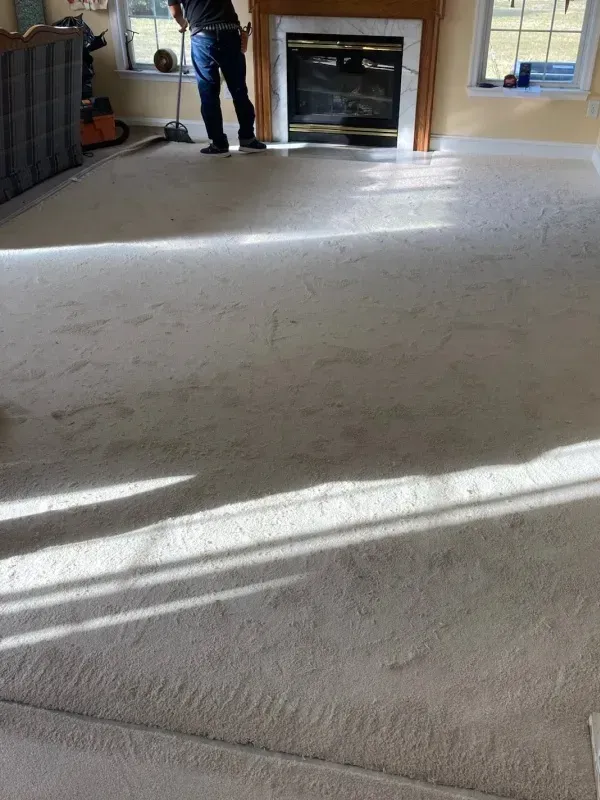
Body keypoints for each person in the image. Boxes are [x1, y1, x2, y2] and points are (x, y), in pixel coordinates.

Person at [168, 0, 266, 157]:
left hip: (203, 37)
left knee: (209, 93)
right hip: (230, 34)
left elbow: (175, 12)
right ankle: (248, 139)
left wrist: (182, 24)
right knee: (239, 90)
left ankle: (219, 144)